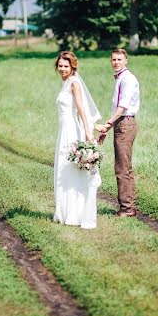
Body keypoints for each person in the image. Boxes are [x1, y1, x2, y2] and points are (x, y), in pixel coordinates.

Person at [54, 51, 102, 229]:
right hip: (63, 130)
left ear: (72, 66)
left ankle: (75, 212)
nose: (63, 69)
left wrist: (89, 132)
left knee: (70, 169)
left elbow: (81, 108)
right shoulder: (65, 82)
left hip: (71, 131)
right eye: (60, 66)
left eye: (66, 66)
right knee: (63, 170)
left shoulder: (74, 83)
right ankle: (64, 211)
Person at [99, 48, 140, 217]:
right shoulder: (121, 78)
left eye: (119, 60)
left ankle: (127, 208)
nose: (116, 62)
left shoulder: (127, 79)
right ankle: (127, 205)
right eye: (113, 60)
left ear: (126, 61)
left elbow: (122, 107)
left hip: (125, 123)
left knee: (123, 167)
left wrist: (107, 125)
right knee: (122, 166)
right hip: (121, 123)